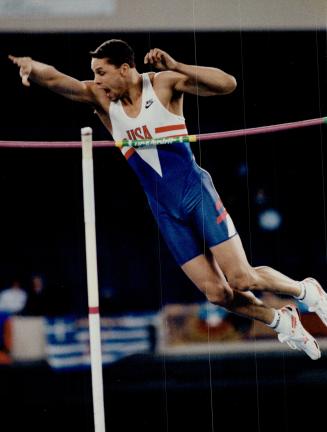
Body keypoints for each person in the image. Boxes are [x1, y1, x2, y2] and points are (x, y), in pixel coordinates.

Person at [9, 39, 327, 359]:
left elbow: (227, 84)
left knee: (241, 277)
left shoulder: (162, 85)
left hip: (196, 193)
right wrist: (32, 67)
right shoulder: (101, 98)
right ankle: (280, 319)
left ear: (125, 68)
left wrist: (176, 66)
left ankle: (306, 291)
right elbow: (54, 78)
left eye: (102, 72)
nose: (97, 80)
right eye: (94, 73)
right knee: (216, 293)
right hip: (163, 209)